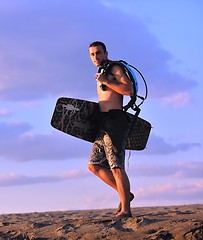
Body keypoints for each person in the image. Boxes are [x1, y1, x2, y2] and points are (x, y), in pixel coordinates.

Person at [87, 41, 134, 218]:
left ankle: (126, 210)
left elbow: (128, 89)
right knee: (94, 165)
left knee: (117, 167)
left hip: (115, 122)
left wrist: (106, 81)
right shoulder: (102, 72)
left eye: (98, 53)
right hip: (103, 123)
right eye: (92, 54)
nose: (95, 57)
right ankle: (126, 196)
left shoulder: (114, 68)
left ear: (106, 53)